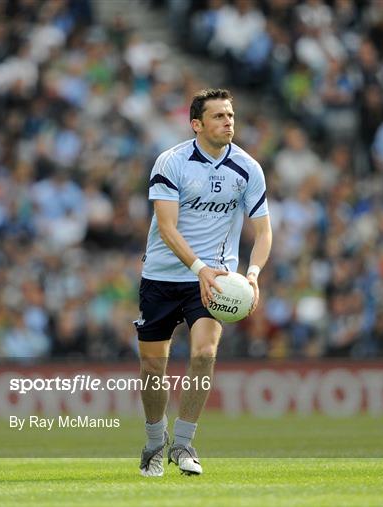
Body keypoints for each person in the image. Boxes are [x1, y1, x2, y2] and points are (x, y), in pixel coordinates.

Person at [135, 88, 272, 476]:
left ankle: (183, 444)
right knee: (152, 368)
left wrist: (253, 274)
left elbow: (263, 232)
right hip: (163, 276)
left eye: (230, 116)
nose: (228, 122)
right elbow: (166, 227)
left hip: (216, 279)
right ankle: (152, 442)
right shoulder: (172, 162)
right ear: (197, 124)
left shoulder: (248, 168)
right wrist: (199, 268)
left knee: (204, 355)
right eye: (218, 117)